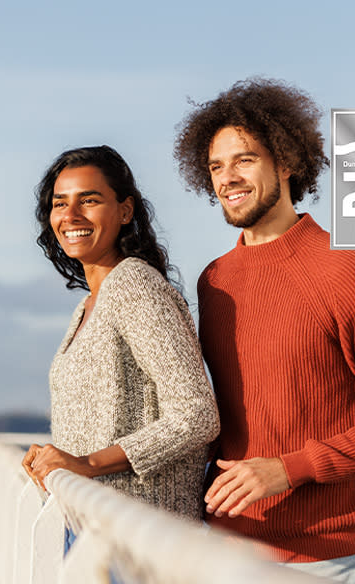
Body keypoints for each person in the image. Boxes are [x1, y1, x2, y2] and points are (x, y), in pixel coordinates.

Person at [173, 78, 355, 582]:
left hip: (320, 565)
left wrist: (290, 468)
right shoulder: (214, 281)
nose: (228, 178)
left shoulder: (347, 271)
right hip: (221, 555)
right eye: (215, 166)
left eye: (244, 160)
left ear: (287, 162)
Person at [21, 145, 219, 521]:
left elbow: (196, 416)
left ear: (125, 211)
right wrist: (60, 458)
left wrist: (87, 463)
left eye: (89, 200)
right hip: (93, 527)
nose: (71, 215)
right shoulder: (88, 304)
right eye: (60, 203)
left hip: (139, 532)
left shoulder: (134, 284)